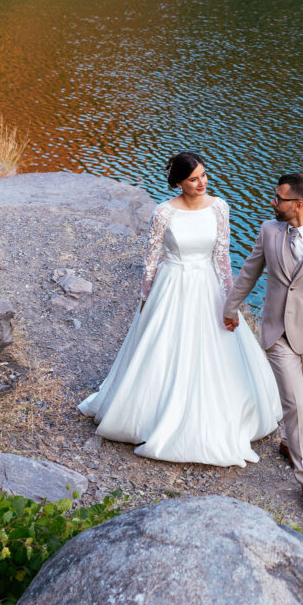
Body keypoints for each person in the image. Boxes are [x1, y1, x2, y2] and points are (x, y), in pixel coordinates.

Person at [79, 152, 282, 467]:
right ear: (178, 183)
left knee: (218, 350)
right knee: (162, 347)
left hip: (208, 286)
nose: (202, 183)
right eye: (193, 179)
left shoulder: (219, 208)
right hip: (172, 286)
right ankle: (153, 414)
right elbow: (151, 259)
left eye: (203, 175)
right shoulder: (163, 213)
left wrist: (231, 302)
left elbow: (222, 257)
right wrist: (145, 299)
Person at [223, 172, 303, 513]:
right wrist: (230, 307)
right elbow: (249, 271)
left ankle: (287, 443)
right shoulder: (269, 231)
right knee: (295, 404)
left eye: (278, 198)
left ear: (298, 204)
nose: (272, 203)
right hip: (277, 332)